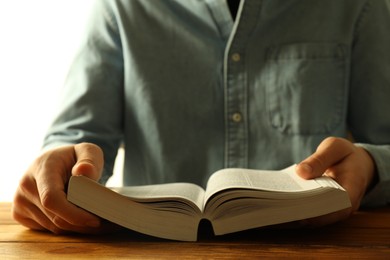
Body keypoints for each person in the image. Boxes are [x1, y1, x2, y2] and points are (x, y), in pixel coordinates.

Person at [12, 0, 390, 235]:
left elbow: (385, 144)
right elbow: (80, 138)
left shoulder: (358, 4)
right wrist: (58, 168)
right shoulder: (121, 5)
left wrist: (371, 165)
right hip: (155, 249)